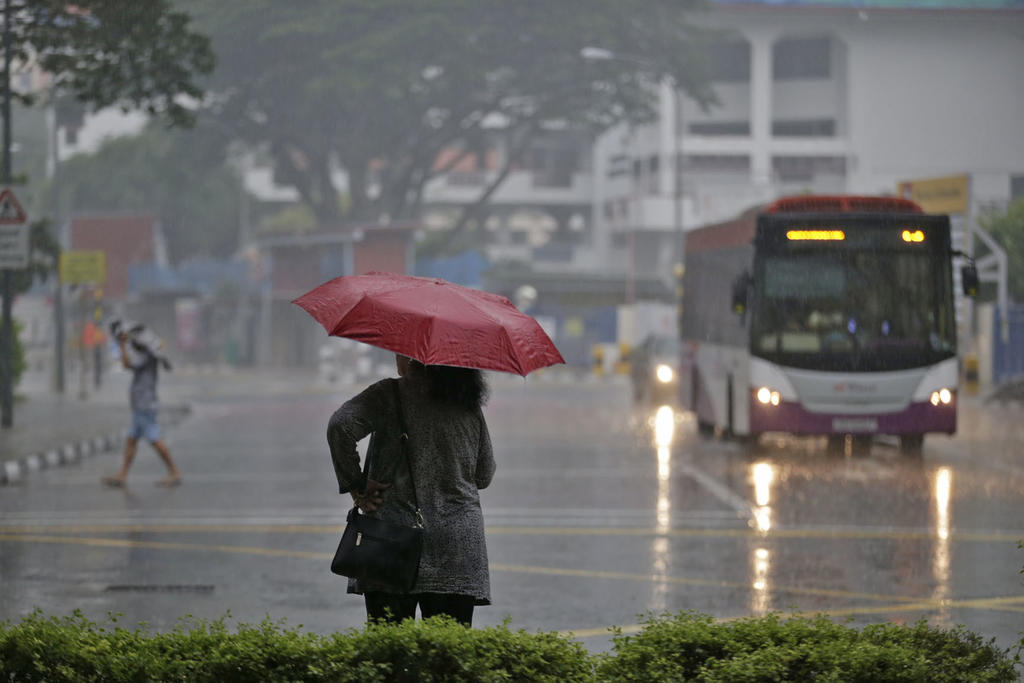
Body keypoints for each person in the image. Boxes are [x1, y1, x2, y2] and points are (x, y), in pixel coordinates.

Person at [327, 354, 495, 627]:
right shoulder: (466, 400)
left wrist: (357, 485)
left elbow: (340, 426)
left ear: (411, 354)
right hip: (456, 547)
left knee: (390, 647)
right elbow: (484, 475)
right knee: (447, 650)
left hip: (390, 540)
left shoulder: (389, 394)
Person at [102, 325, 181, 488]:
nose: (132, 343)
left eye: (134, 341)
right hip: (140, 406)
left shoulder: (145, 356)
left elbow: (127, 364)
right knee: (131, 440)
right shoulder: (146, 355)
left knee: (155, 440)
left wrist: (122, 345)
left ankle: (174, 471)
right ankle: (122, 475)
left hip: (145, 406)